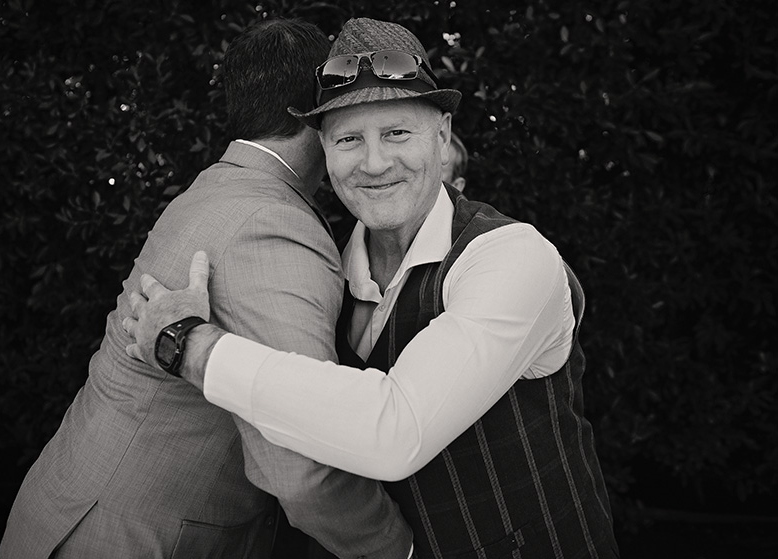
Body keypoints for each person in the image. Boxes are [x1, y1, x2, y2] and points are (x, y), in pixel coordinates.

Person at [125, 17, 619, 559]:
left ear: (443, 133)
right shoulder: (327, 274)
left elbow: (395, 432)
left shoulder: (510, 256)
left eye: (397, 133)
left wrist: (189, 344)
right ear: (323, 149)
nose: (375, 162)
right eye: (349, 139)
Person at [0, 18, 413, 559]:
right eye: (341, 102)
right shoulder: (274, 222)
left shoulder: (218, 187)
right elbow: (301, 463)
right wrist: (397, 547)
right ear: (310, 113)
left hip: (73, 508)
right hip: (137, 539)